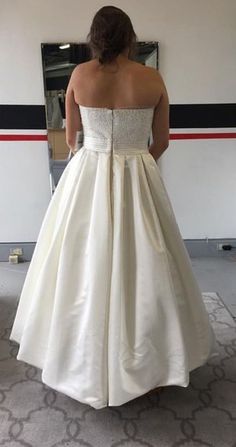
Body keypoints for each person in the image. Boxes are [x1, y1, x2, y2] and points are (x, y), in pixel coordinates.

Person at [10, 6, 218, 410]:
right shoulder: (151, 77)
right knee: (147, 267)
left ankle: (77, 360)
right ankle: (153, 366)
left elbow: (72, 138)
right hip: (138, 169)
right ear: (129, 37)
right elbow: (162, 141)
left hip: (87, 171)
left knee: (78, 264)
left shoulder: (78, 76)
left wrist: (96, 156)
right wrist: (136, 164)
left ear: (94, 37)